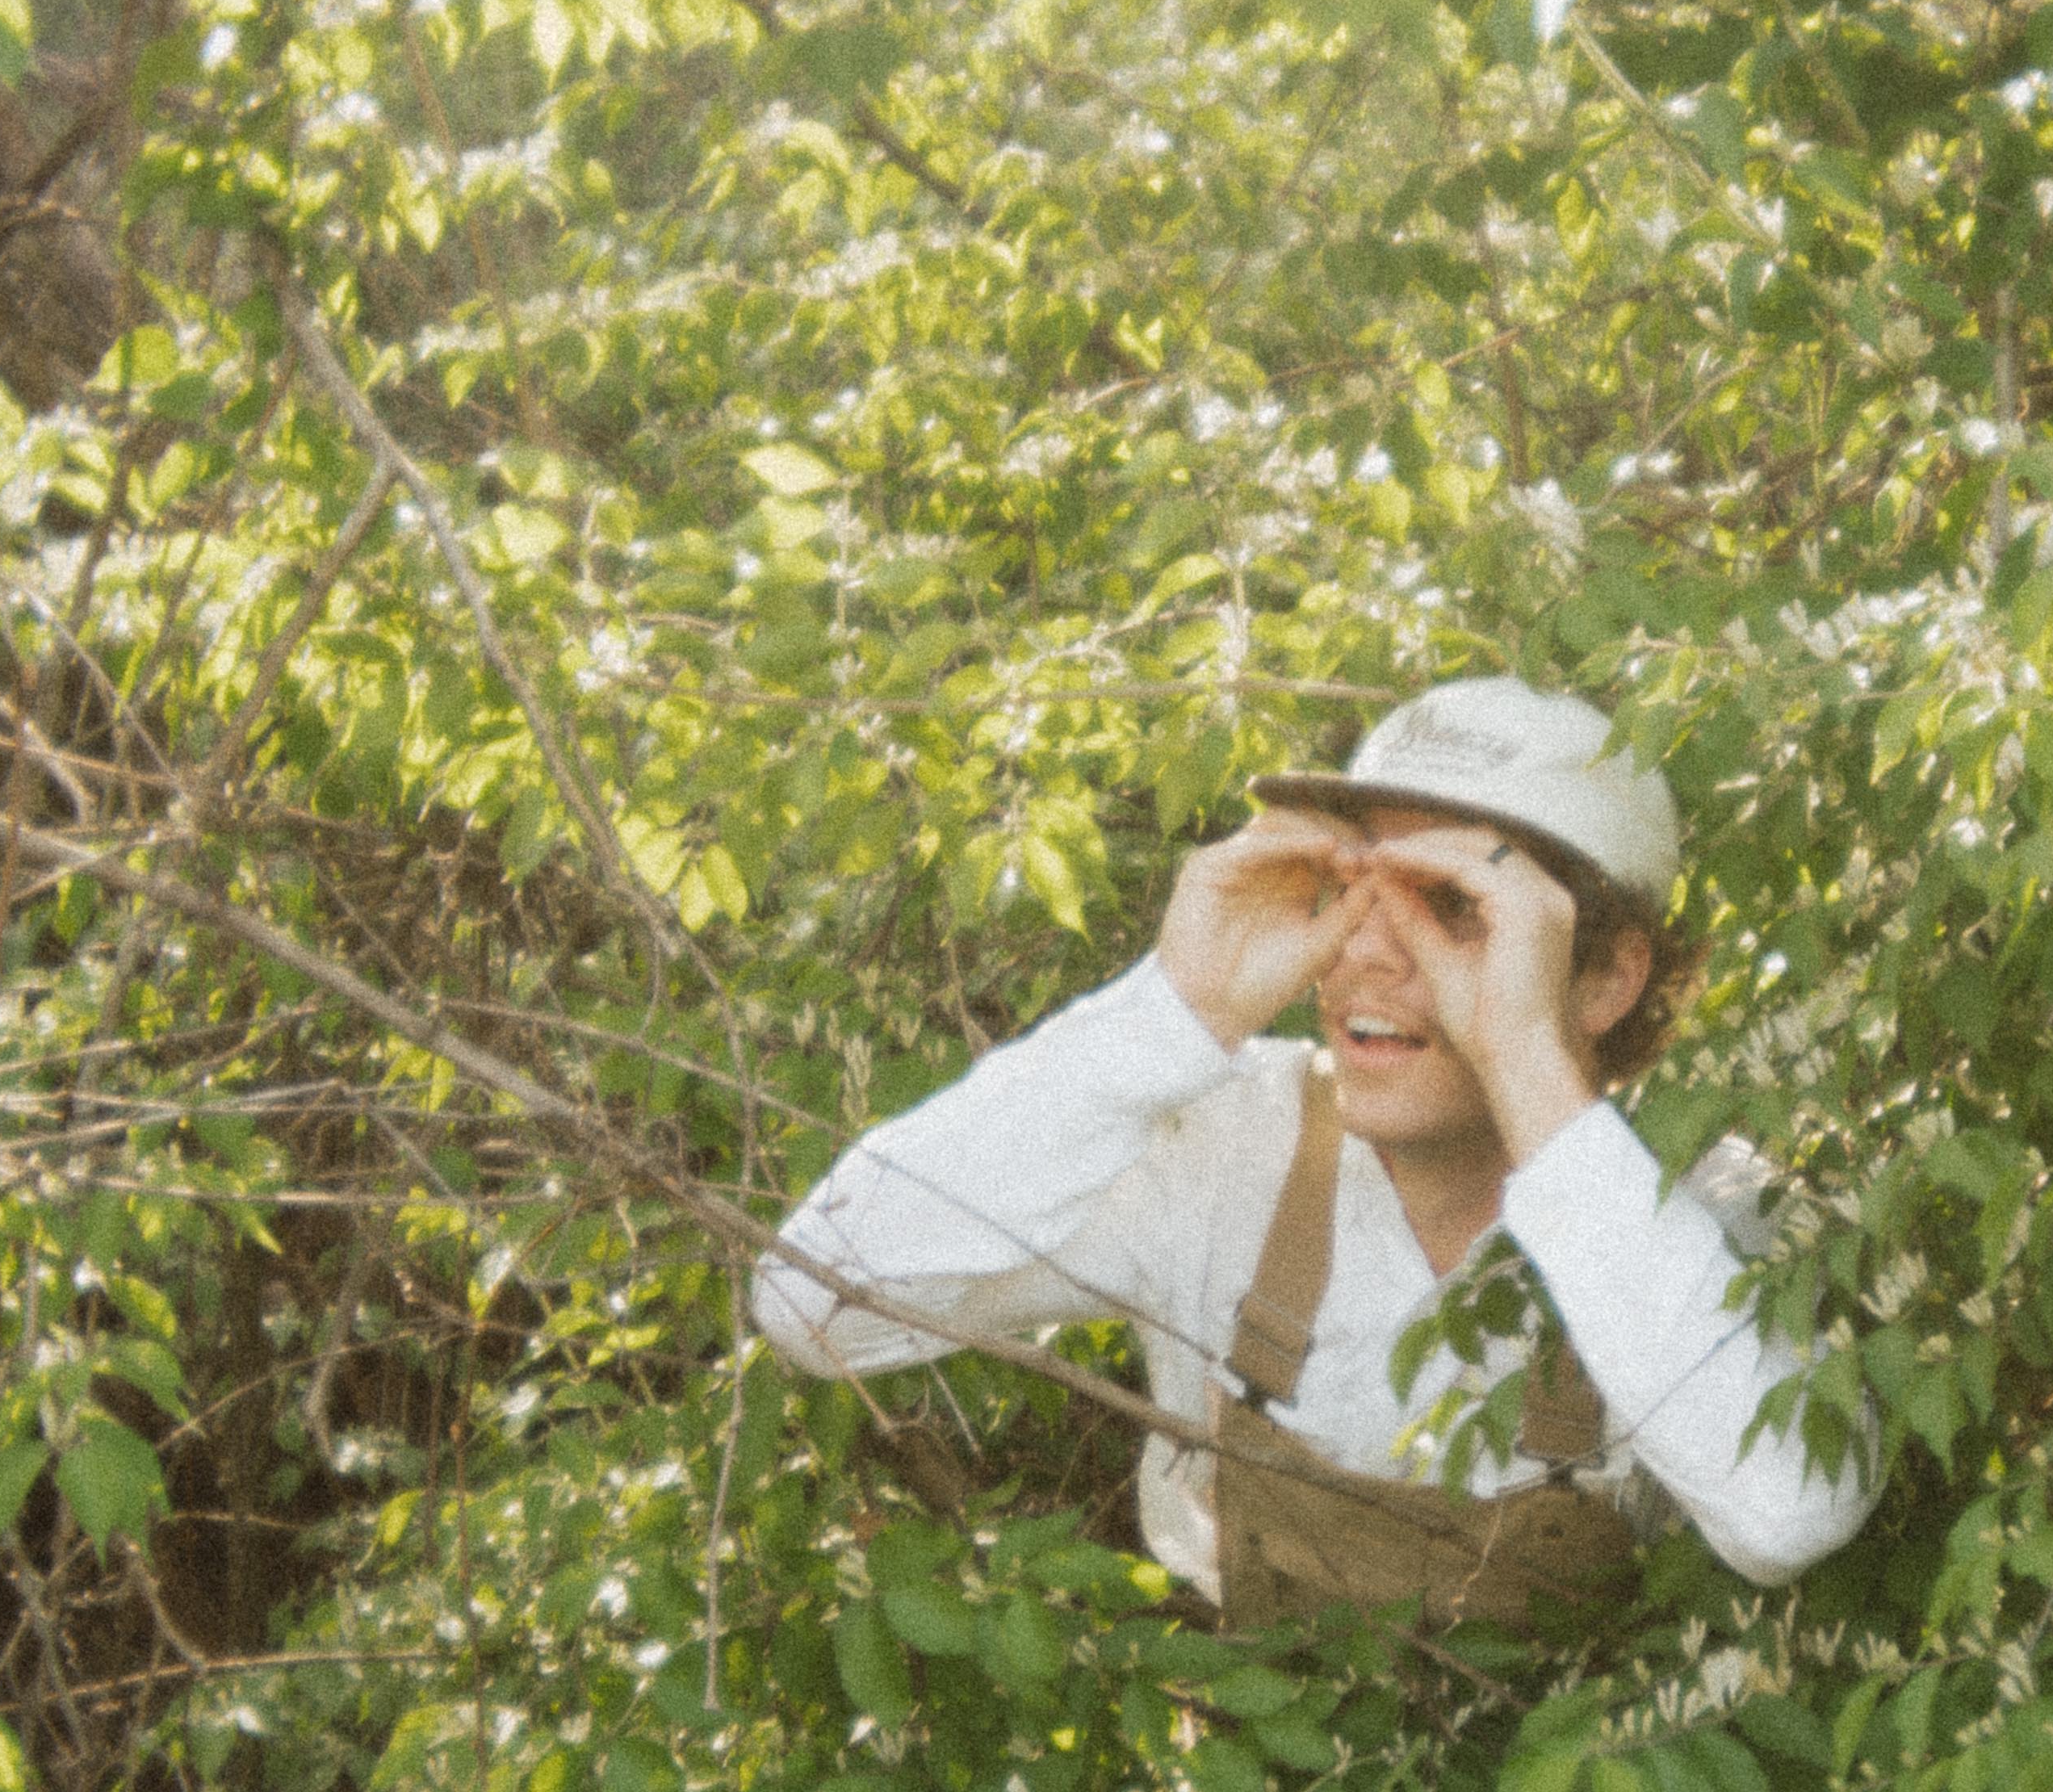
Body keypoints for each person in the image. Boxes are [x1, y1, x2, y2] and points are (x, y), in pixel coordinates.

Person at [752, 678, 1875, 1627]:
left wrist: (1529, 1061)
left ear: (1609, 977)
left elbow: (1791, 1515)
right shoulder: (1223, 1140)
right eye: (1351, 893)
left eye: (1452, 907)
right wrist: (1174, 1008)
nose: (1363, 957)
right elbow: (814, 1305)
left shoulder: (1714, 1212)